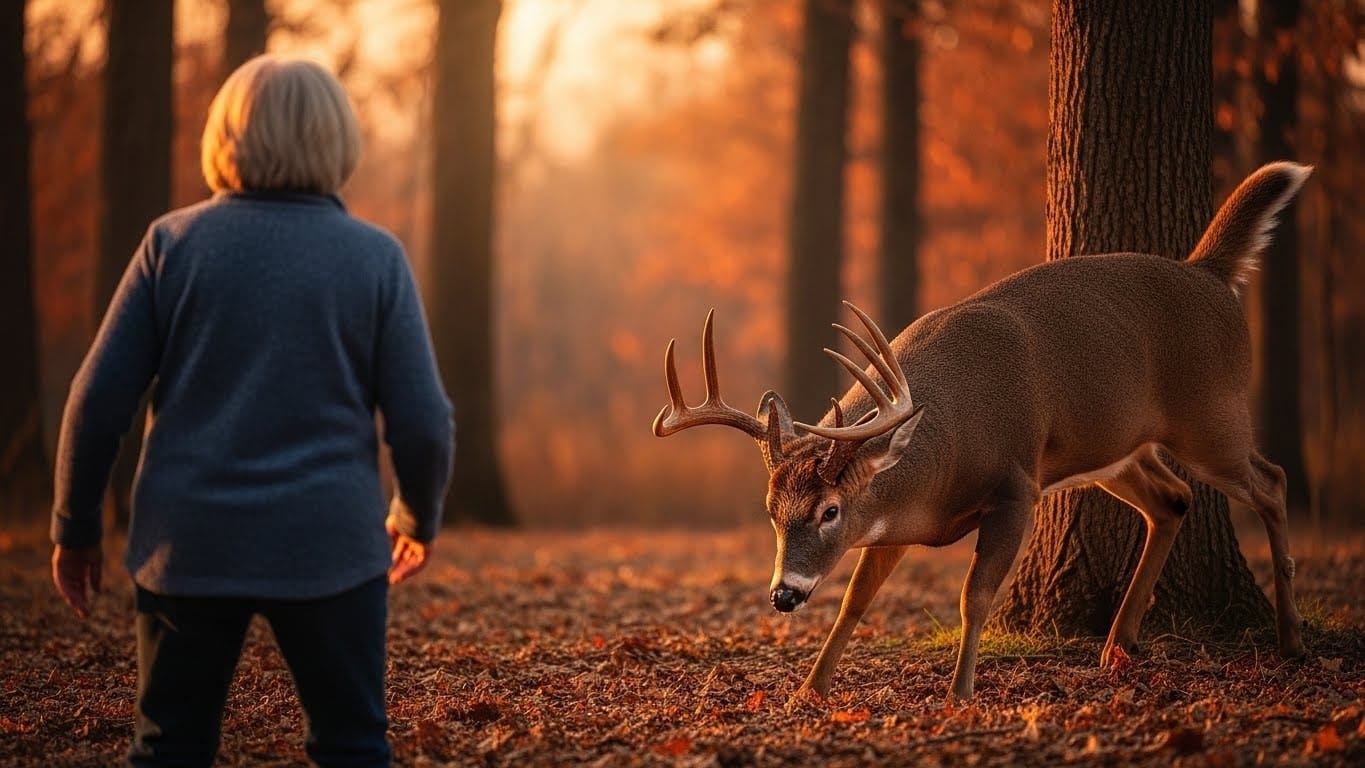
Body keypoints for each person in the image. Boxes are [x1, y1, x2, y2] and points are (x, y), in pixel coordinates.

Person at [49, 54, 454, 767]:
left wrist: (75, 528)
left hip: (188, 544)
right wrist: (416, 516)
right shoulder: (374, 259)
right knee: (353, 744)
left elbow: (97, 399)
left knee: (168, 745)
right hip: (329, 543)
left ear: (223, 137)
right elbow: (422, 419)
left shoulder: (170, 245)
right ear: (338, 141)